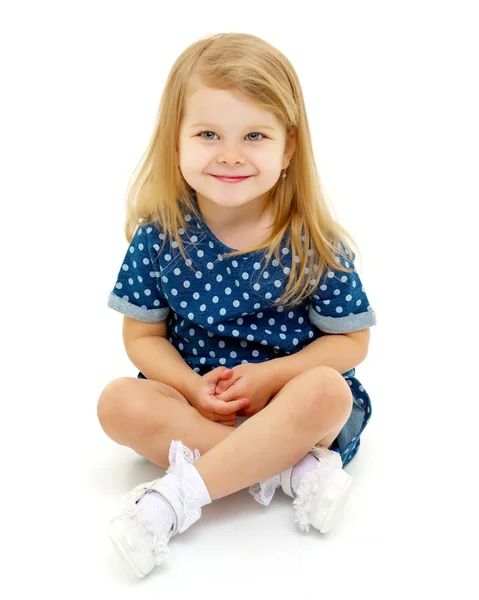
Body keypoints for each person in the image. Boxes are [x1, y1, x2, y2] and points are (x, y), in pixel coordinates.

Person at [97, 32, 377, 578]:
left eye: (254, 135)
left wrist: (272, 377)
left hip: (289, 408)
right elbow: (142, 339)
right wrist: (190, 386)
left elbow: (352, 342)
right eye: (207, 134)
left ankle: (175, 500)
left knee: (327, 390)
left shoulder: (312, 240)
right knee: (117, 403)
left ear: (287, 147)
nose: (230, 154)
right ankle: (292, 471)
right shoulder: (161, 236)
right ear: (174, 141)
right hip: (196, 402)